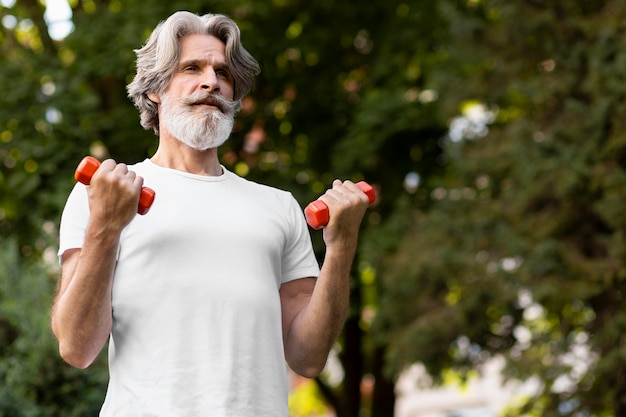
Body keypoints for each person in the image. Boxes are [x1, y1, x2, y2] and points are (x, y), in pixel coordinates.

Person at [51, 10, 370, 416]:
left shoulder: (277, 206)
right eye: (192, 68)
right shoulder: (104, 194)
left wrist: (340, 250)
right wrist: (106, 227)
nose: (211, 81)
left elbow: (307, 356)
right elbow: (76, 348)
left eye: (223, 72)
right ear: (155, 89)